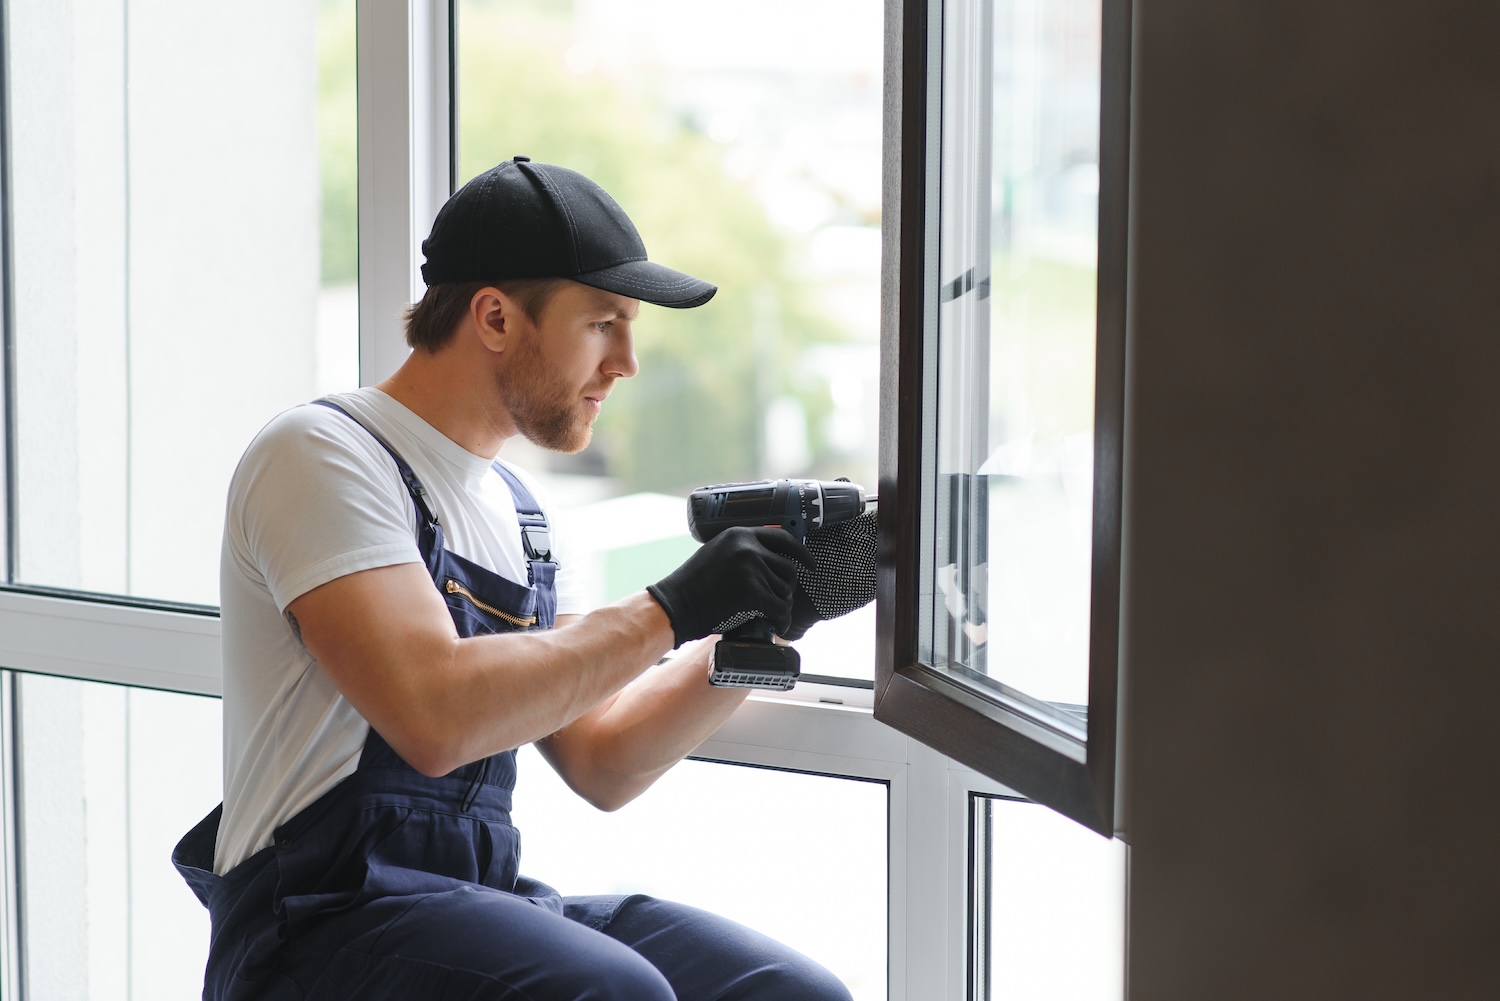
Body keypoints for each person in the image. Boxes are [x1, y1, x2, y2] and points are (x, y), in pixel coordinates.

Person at [172, 157, 864, 1000]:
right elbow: (432, 711)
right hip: (313, 929)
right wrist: (675, 604)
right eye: (605, 323)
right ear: (495, 316)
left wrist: (752, 621)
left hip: (472, 903)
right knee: (614, 993)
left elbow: (602, 758)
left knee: (784, 990)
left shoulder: (523, 518)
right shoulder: (324, 455)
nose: (628, 362)